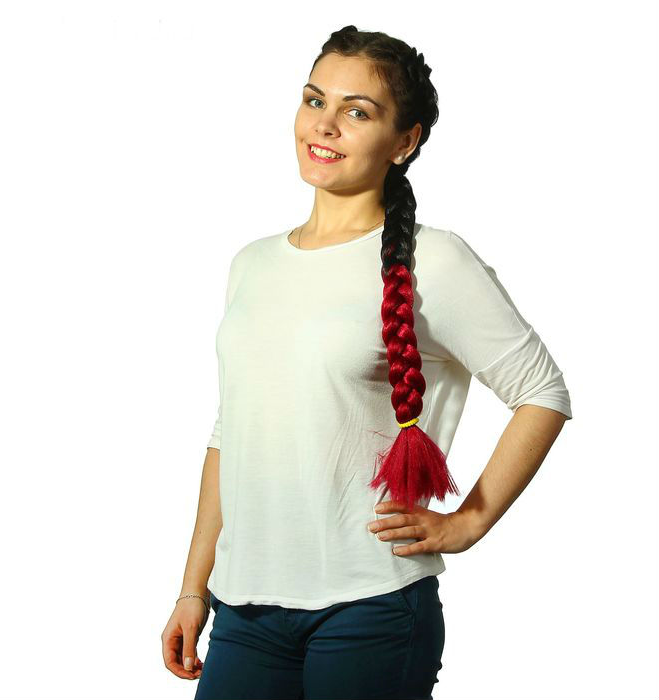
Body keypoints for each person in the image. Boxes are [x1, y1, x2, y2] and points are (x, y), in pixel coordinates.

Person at [161, 25, 573, 700]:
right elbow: (228, 434)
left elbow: (542, 392)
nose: (324, 125)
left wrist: (469, 522)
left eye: (357, 111)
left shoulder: (433, 260)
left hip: (371, 608)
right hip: (244, 610)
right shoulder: (252, 264)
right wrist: (192, 588)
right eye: (314, 100)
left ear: (404, 142)